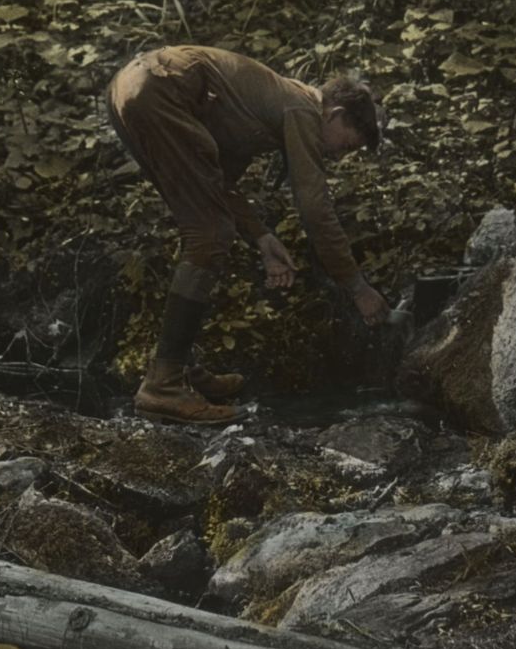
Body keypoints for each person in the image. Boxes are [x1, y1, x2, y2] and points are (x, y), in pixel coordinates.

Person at [106, 44, 391, 424]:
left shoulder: (260, 109)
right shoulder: (302, 108)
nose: (339, 155)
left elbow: (219, 184)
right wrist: (358, 287)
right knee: (209, 233)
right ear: (335, 113)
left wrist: (261, 237)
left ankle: (179, 369)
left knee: (202, 227)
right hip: (160, 88)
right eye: (346, 143)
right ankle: (163, 385)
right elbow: (315, 209)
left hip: (129, 87)